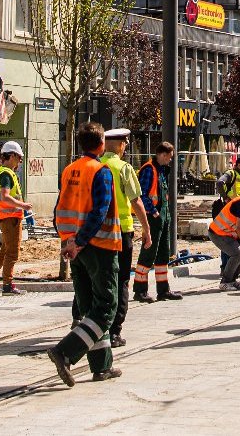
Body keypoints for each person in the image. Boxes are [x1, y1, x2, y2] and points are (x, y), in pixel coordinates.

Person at [46, 123, 124, 385]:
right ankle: (65, 352)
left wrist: (68, 241)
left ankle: (102, 366)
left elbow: (59, 209)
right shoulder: (100, 171)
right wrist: (79, 241)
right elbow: (100, 211)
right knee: (105, 308)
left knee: (90, 307)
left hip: (75, 249)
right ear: (101, 143)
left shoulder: (69, 170)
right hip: (99, 247)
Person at [99, 128, 150, 347]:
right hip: (122, 232)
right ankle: (115, 330)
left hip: (97, 232)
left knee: (101, 278)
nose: (126, 147)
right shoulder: (123, 168)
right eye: (125, 143)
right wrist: (147, 229)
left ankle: (92, 323)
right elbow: (136, 201)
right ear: (120, 145)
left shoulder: (96, 165)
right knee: (121, 280)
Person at [133, 142, 181, 302]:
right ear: (163, 154)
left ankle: (163, 290)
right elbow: (143, 195)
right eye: (169, 157)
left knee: (162, 255)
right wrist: (154, 213)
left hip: (163, 219)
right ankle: (139, 290)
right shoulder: (149, 169)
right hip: (154, 219)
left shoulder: (160, 171)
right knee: (148, 254)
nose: (170, 161)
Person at [0, 141, 32, 294]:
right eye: (19, 157)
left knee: (5, 250)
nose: (20, 161)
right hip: (10, 218)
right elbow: (5, 197)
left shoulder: (3, 173)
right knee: (12, 252)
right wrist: (23, 206)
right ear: (11, 156)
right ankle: (7, 285)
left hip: (7, 217)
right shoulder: (6, 174)